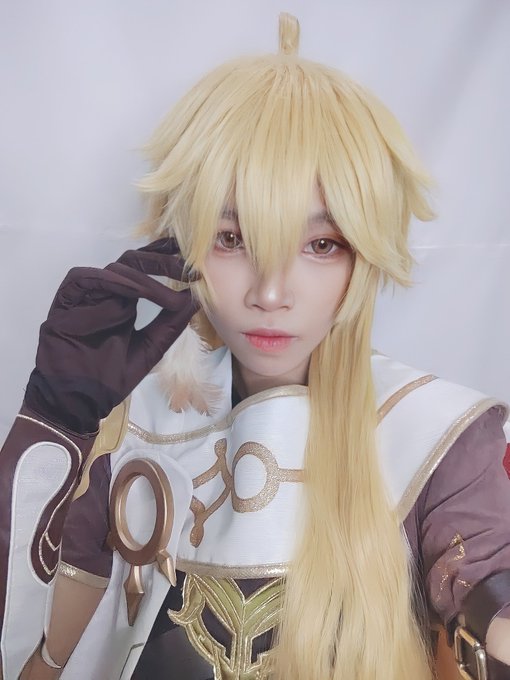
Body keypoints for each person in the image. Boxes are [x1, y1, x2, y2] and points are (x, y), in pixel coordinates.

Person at [0, 13, 509, 680]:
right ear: (181, 245)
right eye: (232, 239)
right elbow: (31, 655)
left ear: (364, 254)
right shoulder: (130, 424)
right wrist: (55, 423)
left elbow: (488, 583)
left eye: (319, 244)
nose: (271, 293)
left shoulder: (436, 436)